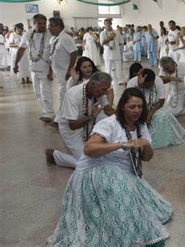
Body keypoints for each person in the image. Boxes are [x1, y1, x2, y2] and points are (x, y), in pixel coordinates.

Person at [47, 87, 173, 246]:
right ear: (122, 107)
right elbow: (89, 149)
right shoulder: (109, 123)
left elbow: (147, 158)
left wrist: (145, 144)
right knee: (122, 198)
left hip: (124, 171)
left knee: (155, 208)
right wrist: (122, 144)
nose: (137, 111)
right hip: (97, 170)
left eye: (140, 107)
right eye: (132, 107)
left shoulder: (140, 126)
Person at [45, 72, 115, 168]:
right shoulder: (73, 95)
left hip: (87, 123)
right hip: (71, 129)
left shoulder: (99, 91)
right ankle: (55, 156)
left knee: (106, 119)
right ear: (92, 84)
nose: (105, 92)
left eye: (107, 89)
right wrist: (91, 117)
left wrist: (125, 117)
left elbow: (108, 109)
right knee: (87, 163)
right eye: (103, 89)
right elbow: (72, 125)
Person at [127, 68, 185, 149]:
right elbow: (130, 102)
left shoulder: (158, 80)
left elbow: (161, 100)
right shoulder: (132, 83)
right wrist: (139, 86)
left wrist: (150, 114)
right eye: (147, 85)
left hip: (154, 107)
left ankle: (165, 139)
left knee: (164, 115)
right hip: (137, 109)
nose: (150, 86)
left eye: (152, 84)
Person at [14, 13, 54, 122]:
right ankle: (46, 110)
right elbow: (21, 49)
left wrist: (51, 70)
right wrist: (15, 63)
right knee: (38, 92)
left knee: (46, 92)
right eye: (39, 23)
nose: (42, 25)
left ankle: (49, 113)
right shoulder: (28, 34)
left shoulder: (50, 34)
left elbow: (53, 54)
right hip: (34, 67)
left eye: (44, 23)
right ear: (34, 23)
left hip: (46, 68)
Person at [48, 17, 78, 111]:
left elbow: (73, 53)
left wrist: (70, 70)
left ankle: (62, 117)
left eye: (51, 26)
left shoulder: (65, 38)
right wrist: (50, 71)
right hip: (58, 72)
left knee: (64, 94)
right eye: (49, 26)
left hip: (66, 72)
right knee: (62, 93)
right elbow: (51, 55)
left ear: (58, 26)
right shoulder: (53, 39)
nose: (49, 28)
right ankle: (63, 115)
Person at [100, 18, 125, 91]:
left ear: (111, 24)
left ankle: (120, 80)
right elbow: (102, 42)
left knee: (118, 68)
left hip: (116, 53)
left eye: (109, 23)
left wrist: (114, 45)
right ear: (104, 25)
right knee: (108, 69)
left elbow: (121, 42)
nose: (108, 25)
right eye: (106, 24)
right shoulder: (102, 33)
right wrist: (110, 38)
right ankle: (108, 81)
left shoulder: (116, 32)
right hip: (107, 54)